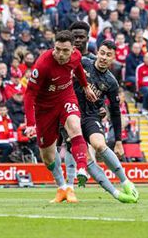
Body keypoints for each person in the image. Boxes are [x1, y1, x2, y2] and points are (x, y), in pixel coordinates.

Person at [64, 33, 139, 203]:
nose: (104, 58)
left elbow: (115, 111)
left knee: (99, 144)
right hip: (71, 115)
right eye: (102, 53)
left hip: (90, 116)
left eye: (108, 55)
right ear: (97, 52)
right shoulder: (83, 63)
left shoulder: (111, 82)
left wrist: (119, 140)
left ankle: (125, 181)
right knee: (87, 158)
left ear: (113, 58)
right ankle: (116, 194)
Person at [24, 30, 96, 203]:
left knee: (74, 126)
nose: (61, 54)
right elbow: (29, 94)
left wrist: (85, 86)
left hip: (66, 97)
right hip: (45, 108)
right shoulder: (43, 65)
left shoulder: (76, 55)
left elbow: (77, 67)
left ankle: (81, 168)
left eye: (65, 50)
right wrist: (30, 123)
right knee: (47, 156)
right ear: (53, 46)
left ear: (73, 50)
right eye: (58, 49)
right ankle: (62, 187)